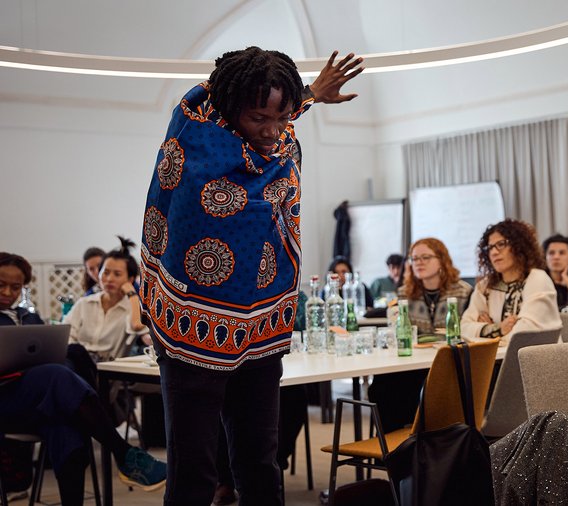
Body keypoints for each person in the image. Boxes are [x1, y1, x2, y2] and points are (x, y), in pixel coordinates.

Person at [139, 46, 362, 505]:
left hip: (261, 321)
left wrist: (311, 95)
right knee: (194, 472)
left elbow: (275, 112)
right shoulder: (195, 136)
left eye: (282, 118)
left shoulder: (277, 141)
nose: (272, 130)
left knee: (260, 461)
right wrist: (304, 96)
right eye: (260, 116)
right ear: (229, 104)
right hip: (192, 326)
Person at [0, 252, 166, 505]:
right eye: (1, 285)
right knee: (60, 371)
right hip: (7, 400)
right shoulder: (82, 305)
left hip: (40, 401)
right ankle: (123, 453)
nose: (8, 292)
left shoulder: (28, 317)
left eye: (16, 287)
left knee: (66, 424)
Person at [369, 238, 473, 432]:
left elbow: (467, 331)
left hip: (448, 363)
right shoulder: (404, 294)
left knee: (417, 387)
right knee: (382, 384)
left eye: (426, 257)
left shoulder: (464, 292)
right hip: (413, 364)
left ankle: (422, 442)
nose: (419, 262)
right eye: (415, 258)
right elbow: (396, 333)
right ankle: (396, 449)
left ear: (442, 260)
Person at [461, 219, 561, 343]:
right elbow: (464, 327)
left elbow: (525, 334)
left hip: (538, 359)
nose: (494, 252)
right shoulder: (485, 286)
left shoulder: (537, 278)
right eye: (490, 247)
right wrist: (498, 329)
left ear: (519, 246)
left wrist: (488, 334)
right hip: (496, 358)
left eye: (501, 244)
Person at [65, 237, 148, 361]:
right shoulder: (84, 303)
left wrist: (131, 294)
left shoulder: (132, 307)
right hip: (76, 361)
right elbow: (66, 335)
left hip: (107, 368)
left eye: (117, 274)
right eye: (106, 272)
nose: (109, 279)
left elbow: (138, 326)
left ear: (130, 279)